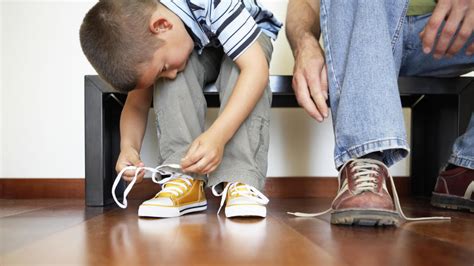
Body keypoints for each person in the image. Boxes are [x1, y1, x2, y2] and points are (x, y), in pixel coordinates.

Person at [80, 0, 282, 218]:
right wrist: (129, 147)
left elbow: (255, 69)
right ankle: (184, 179)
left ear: (162, 25)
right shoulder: (152, 40)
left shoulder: (212, 3)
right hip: (201, 46)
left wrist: (217, 136)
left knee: (238, 71)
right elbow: (136, 104)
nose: (168, 73)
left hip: (251, 37)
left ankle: (241, 179)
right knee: (176, 75)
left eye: (163, 67)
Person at [286, 0, 473, 226]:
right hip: (365, 29)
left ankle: (465, 170)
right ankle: (367, 159)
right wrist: (304, 42)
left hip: (445, 31)